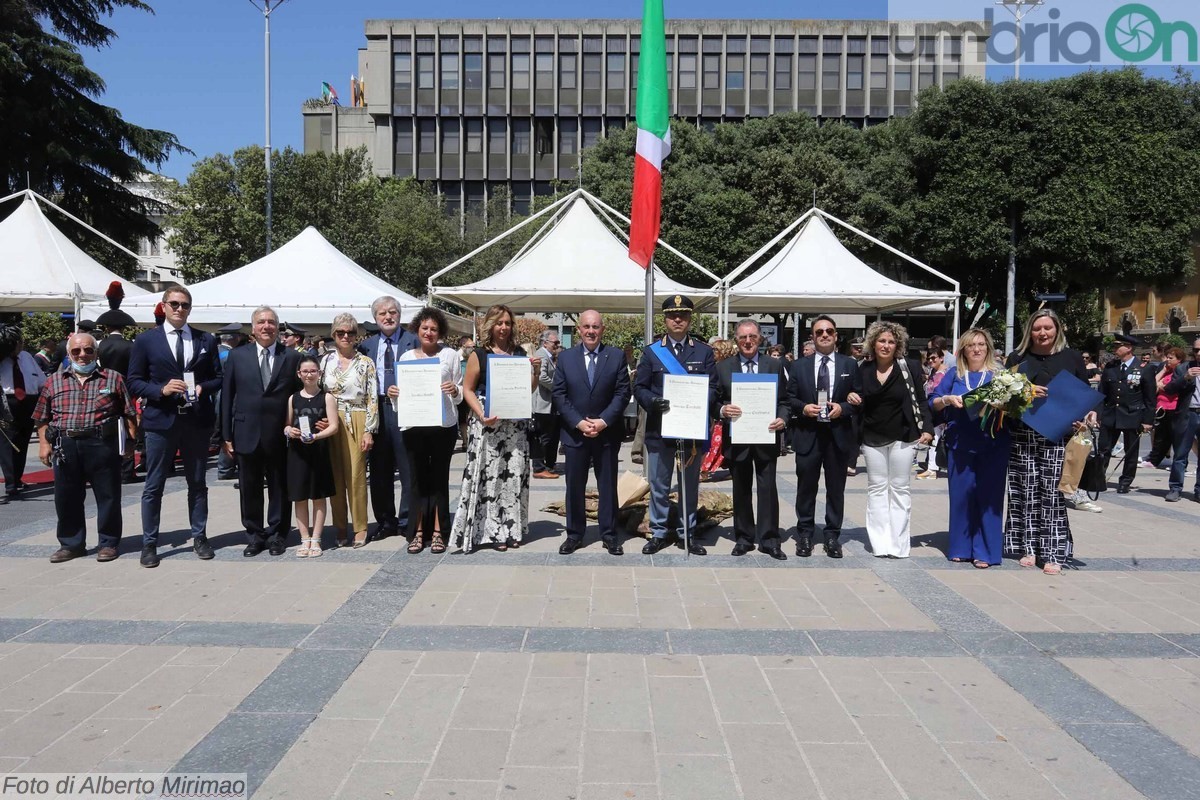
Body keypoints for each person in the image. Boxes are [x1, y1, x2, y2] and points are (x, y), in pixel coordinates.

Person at [127, 285, 223, 568]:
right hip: (161, 420)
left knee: (198, 483)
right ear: (164, 306)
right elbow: (133, 381)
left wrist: (204, 387)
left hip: (195, 420)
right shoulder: (146, 341)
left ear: (190, 308)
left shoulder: (205, 339)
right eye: (174, 304)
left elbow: (218, 377)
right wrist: (161, 390)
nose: (179, 309)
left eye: (184, 305)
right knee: (154, 484)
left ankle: (200, 536)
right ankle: (149, 543)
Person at [1004, 309, 1096, 575]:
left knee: (1053, 494)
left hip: (1058, 435)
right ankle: (1028, 547)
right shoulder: (1018, 357)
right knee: (1026, 491)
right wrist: (1027, 392)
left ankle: (1054, 551)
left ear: (1057, 329)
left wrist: (1086, 417)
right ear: (1029, 331)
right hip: (1023, 434)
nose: (1042, 333)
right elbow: (1004, 397)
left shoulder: (1071, 357)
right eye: (1037, 328)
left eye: (1047, 328)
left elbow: (1083, 395)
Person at [33, 332, 137, 563]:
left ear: (96, 353)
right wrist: (43, 444)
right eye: (77, 351)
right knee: (66, 497)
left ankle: (108, 543)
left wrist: (130, 441)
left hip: (102, 443)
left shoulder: (113, 378)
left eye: (88, 350)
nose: (83, 355)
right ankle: (71, 544)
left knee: (108, 495)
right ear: (69, 354)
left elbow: (129, 413)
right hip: (65, 444)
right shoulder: (53, 381)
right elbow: (41, 417)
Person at [451, 304, 537, 552]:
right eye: (499, 322)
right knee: (490, 478)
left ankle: (512, 528)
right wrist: (481, 414)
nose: (503, 327)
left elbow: (527, 390)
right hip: (488, 424)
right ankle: (492, 530)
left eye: (507, 323)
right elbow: (467, 389)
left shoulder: (520, 354)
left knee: (513, 476)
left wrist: (535, 373)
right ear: (490, 325)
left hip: (515, 426)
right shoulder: (480, 354)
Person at [635, 295, 717, 556]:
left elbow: (714, 387)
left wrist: (697, 399)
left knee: (688, 485)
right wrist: (652, 401)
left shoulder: (703, 352)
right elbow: (639, 387)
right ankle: (658, 532)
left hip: (690, 431)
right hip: (660, 430)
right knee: (659, 485)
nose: (677, 319)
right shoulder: (651, 351)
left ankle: (687, 533)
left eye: (682, 315)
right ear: (666, 319)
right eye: (672, 315)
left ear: (690, 318)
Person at [222, 306, 303, 556]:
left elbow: (300, 397)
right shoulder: (237, 356)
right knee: (249, 488)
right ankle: (255, 535)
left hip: (280, 433)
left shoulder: (291, 357)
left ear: (278, 328)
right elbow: (227, 396)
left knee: (280, 486)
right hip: (246, 432)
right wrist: (226, 435)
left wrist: (301, 426)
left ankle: (278, 534)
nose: (266, 326)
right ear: (253, 328)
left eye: (271, 322)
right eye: (261, 322)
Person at [849, 321, 934, 559]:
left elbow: (921, 399)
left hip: (903, 437)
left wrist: (927, 428)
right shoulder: (862, 369)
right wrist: (850, 395)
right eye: (881, 340)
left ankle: (898, 544)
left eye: (891, 341)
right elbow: (853, 394)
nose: (886, 345)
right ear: (873, 343)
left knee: (900, 488)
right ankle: (880, 543)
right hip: (871, 436)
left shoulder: (910, 367)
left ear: (898, 345)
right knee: (876, 489)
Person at [552, 310, 631, 555]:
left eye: (595, 327)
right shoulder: (566, 358)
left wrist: (603, 421)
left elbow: (622, 393)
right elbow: (559, 394)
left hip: (606, 434)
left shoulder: (616, 356)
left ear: (602, 329)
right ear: (579, 330)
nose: (591, 331)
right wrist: (578, 422)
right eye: (586, 326)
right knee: (574, 486)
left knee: (607, 486)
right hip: (575, 435)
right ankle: (575, 535)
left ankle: (609, 534)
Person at [929, 329, 1009, 567]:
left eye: (982, 345)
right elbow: (933, 400)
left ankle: (985, 550)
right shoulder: (954, 373)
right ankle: (961, 546)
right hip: (960, 442)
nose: (977, 349)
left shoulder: (1000, 374)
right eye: (971, 345)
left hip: (994, 442)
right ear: (963, 349)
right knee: (962, 495)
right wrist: (947, 400)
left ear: (989, 348)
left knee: (990, 496)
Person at [786, 315, 861, 559]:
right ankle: (805, 534)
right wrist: (803, 408)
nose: (825, 335)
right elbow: (790, 398)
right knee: (806, 487)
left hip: (838, 435)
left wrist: (844, 408)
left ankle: (832, 536)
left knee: (836, 489)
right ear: (813, 336)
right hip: (808, 434)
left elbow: (858, 398)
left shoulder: (849, 365)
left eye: (829, 331)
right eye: (819, 332)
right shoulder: (798, 366)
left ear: (836, 335)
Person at [714, 319, 789, 559]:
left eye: (753, 337)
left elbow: (785, 400)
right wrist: (723, 410)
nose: (748, 341)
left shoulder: (774, 365)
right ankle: (744, 538)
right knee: (741, 489)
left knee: (768, 489)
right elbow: (714, 400)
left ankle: (769, 539)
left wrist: (782, 418)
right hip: (738, 437)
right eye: (743, 337)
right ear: (736, 340)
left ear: (760, 339)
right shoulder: (723, 367)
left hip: (766, 434)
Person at [397, 308, 462, 554]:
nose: (429, 332)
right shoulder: (406, 358)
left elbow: (458, 394)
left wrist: (454, 391)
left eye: (434, 329)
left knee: (438, 480)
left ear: (440, 331)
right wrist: (395, 395)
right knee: (416, 481)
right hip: (414, 425)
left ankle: (438, 531)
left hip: (442, 425)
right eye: (425, 328)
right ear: (417, 329)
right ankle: (417, 532)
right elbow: (401, 398)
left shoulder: (451, 355)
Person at [357, 296, 419, 539]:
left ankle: (406, 521)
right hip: (377, 411)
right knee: (380, 471)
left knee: (407, 468)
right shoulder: (367, 346)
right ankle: (385, 521)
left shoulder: (413, 341)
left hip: (406, 410)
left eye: (392, 312)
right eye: (382, 313)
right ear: (375, 318)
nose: (388, 317)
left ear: (400, 315)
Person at [320, 313, 379, 548]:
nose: (346, 336)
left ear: (357, 336)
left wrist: (369, 430)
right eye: (341, 332)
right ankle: (340, 526)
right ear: (334, 335)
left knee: (355, 476)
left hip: (357, 417)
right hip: (331, 419)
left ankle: (360, 526)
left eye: (351, 332)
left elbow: (372, 397)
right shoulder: (324, 361)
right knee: (335, 477)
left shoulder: (365, 363)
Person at [285, 356, 339, 557]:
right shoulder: (293, 398)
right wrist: (289, 431)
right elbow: (287, 424)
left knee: (318, 496)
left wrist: (316, 436)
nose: (309, 375)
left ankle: (316, 539)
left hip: (318, 452)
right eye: (305, 371)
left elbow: (334, 426)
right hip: (297, 454)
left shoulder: (327, 397)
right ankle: (304, 538)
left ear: (320, 373)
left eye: (313, 371)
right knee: (299, 497)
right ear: (299, 374)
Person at [1097, 334, 1155, 494]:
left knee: (1130, 452)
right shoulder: (1110, 367)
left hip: (1132, 415)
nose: (1115, 349)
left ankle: (1125, 481)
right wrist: (1098, 414)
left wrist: (1147, 420)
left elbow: (1150, 398)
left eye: (1118, 346)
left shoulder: (1144, 368)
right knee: (1103, 449)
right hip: (1111, 414)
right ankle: (1099, 479)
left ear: (1129, 348)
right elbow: (1102, 393)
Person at [0, 326, 47, 504]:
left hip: (28, 401)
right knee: (7, 444)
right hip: (7, 401)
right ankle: (11, 484)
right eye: (17, 343)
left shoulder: (27, 357)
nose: (20, 345)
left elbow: (42, 381)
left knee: (22, 441)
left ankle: (17, 477)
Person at [1164, 337, 1200, 502]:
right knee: (1180, 454)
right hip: (1188, 414)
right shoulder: (1184, 368)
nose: (1197, 353)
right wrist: (1185, 377)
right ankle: (1175, 488)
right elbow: (1169, 389)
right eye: (1195, 350)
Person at [1143, 346, 1185, 469]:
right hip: (1162, 407)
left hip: (1174, 407)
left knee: (1175, 437)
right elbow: (1152, 383)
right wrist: (1163, 371)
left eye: (1171, 358)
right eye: (1167, 357)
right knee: (1160, 436)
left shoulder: (1181, 371)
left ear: (1179, 360)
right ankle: (1154, 460)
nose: (1167, 360)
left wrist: (1161, 386)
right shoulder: (1166, 370)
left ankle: (1179, 463)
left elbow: (1172, 387)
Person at [532, 330, 562, 479]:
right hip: (542, 404)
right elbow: (542, 377)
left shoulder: (550, 356)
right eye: (555, 343)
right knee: (543, 437)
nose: (557, 345)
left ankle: (549, 465)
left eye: (558, 342)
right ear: (545, 343)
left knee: (551, 436)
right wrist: (558, 388)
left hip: (550, 404)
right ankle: (539, 467)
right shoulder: (542, 354)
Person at [916, 348, 949, 479]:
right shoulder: (933, 372)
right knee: (933, 439)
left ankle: (932, 469)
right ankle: (932, 467)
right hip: (931, 410)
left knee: (935, 439)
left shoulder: (944, 374)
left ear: (941, 358)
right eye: (928, 358)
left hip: (940, 411)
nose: (930, 361)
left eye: (933, 358)